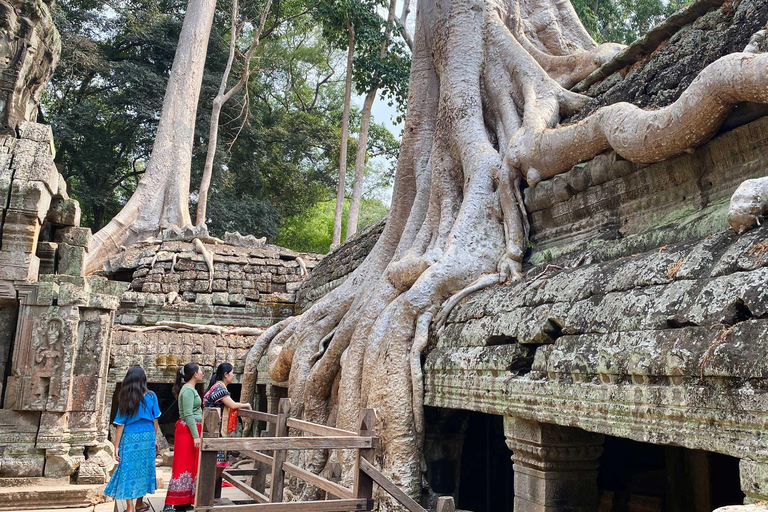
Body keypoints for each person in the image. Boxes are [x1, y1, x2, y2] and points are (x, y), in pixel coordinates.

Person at [104, 366, 161, 512]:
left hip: (130, 437)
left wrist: (116, 446)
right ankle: (139, 503)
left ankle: (129, 507)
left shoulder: (125, 396)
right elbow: (155, 421)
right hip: (147, 436)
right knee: (144, 469)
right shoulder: (151, 396)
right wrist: (153, 440)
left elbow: (120, 424)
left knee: (128, 469)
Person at [163, 363, 203, 512]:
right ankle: (175, 501)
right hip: (188, 432)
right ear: (194, 374)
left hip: (191, 431)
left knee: (191, 466)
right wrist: (196, 436)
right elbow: (188, 414)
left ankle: (185, 499)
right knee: (183, 465)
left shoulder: (190, 389)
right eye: (200, 370)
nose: (202, 373)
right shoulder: (187, 390)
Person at [203, 362, 251, 468]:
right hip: (215, 430)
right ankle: (214, 484)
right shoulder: (219, 389)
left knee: (216, 464)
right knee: (217, 464)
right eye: (232, 373)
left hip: (211, 428)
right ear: (225, 374)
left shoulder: (216, 387)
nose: (233, 375)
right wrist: (246, 405)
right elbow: (232, 405)